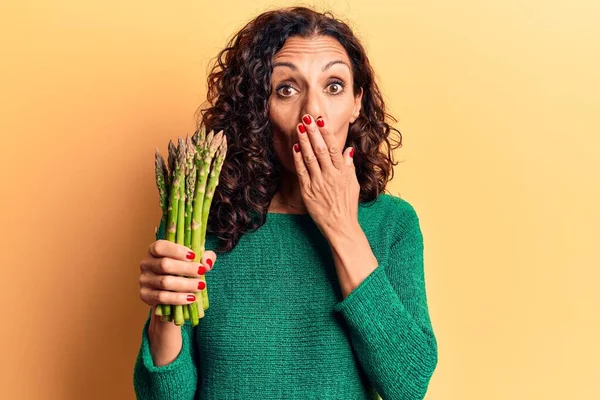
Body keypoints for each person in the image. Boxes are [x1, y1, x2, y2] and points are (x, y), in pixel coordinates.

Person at [134, 6, 438, 400]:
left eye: (334, 86)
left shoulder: (392, 224)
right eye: (287, 89)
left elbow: (408, 385)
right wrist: (165, 313)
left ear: (357, 102)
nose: (313, 112)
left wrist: (342, 227)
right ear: (258, 109)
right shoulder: (195, 217)